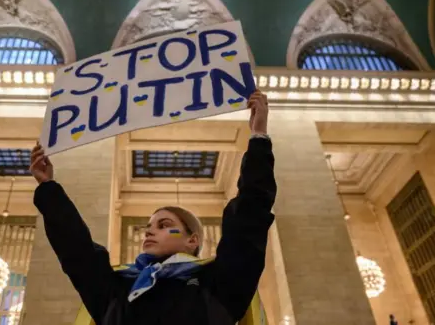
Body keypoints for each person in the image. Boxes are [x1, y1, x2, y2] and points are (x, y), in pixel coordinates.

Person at [30, 90, 277, 325]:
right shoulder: (117, 290)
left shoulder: (218, 284)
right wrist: (49, 188)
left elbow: (249, 218)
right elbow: (75, 249)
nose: (149, 231)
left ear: (192, 241)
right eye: (148, 226)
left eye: (164, 225)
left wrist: (258, 136)